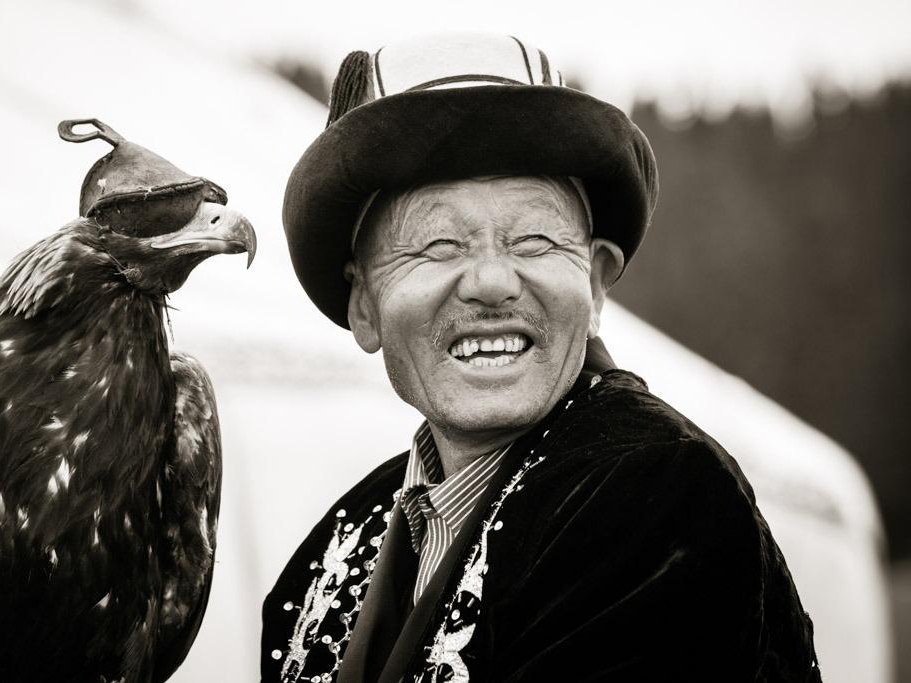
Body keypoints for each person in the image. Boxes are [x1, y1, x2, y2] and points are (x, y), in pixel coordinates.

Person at [262, 33, 820, 682]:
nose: (492, 282)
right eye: (439, 244)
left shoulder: (655, 495)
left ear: (595, 283)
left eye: (533, 239)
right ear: (365, 305)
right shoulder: (331, 550)